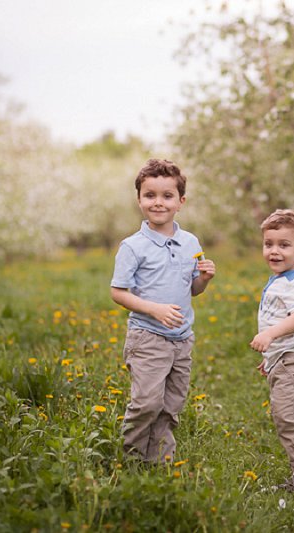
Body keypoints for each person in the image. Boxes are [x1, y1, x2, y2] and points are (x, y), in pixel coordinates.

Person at [110, 158, 215, 464]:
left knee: (170, 405)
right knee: (146, 403)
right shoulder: (133, 246)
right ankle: (130, 458)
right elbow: (118, 292)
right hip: (148, 337)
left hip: (181, 340)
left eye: (167, 196)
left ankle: (159, 463)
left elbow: (192, 289)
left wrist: (204, 278)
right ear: (139, 199)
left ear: (180, 202)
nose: (158, 203)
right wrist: (153, 309)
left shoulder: (190, 242)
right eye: (150, 195)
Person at [250, 209, 294, 492]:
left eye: (284, 245)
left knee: (287, 416)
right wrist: (271, 357)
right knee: (287, 415)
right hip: (285, 359)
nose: (274, 251)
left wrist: (269, 335)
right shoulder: (279, 280)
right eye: (269, 244)